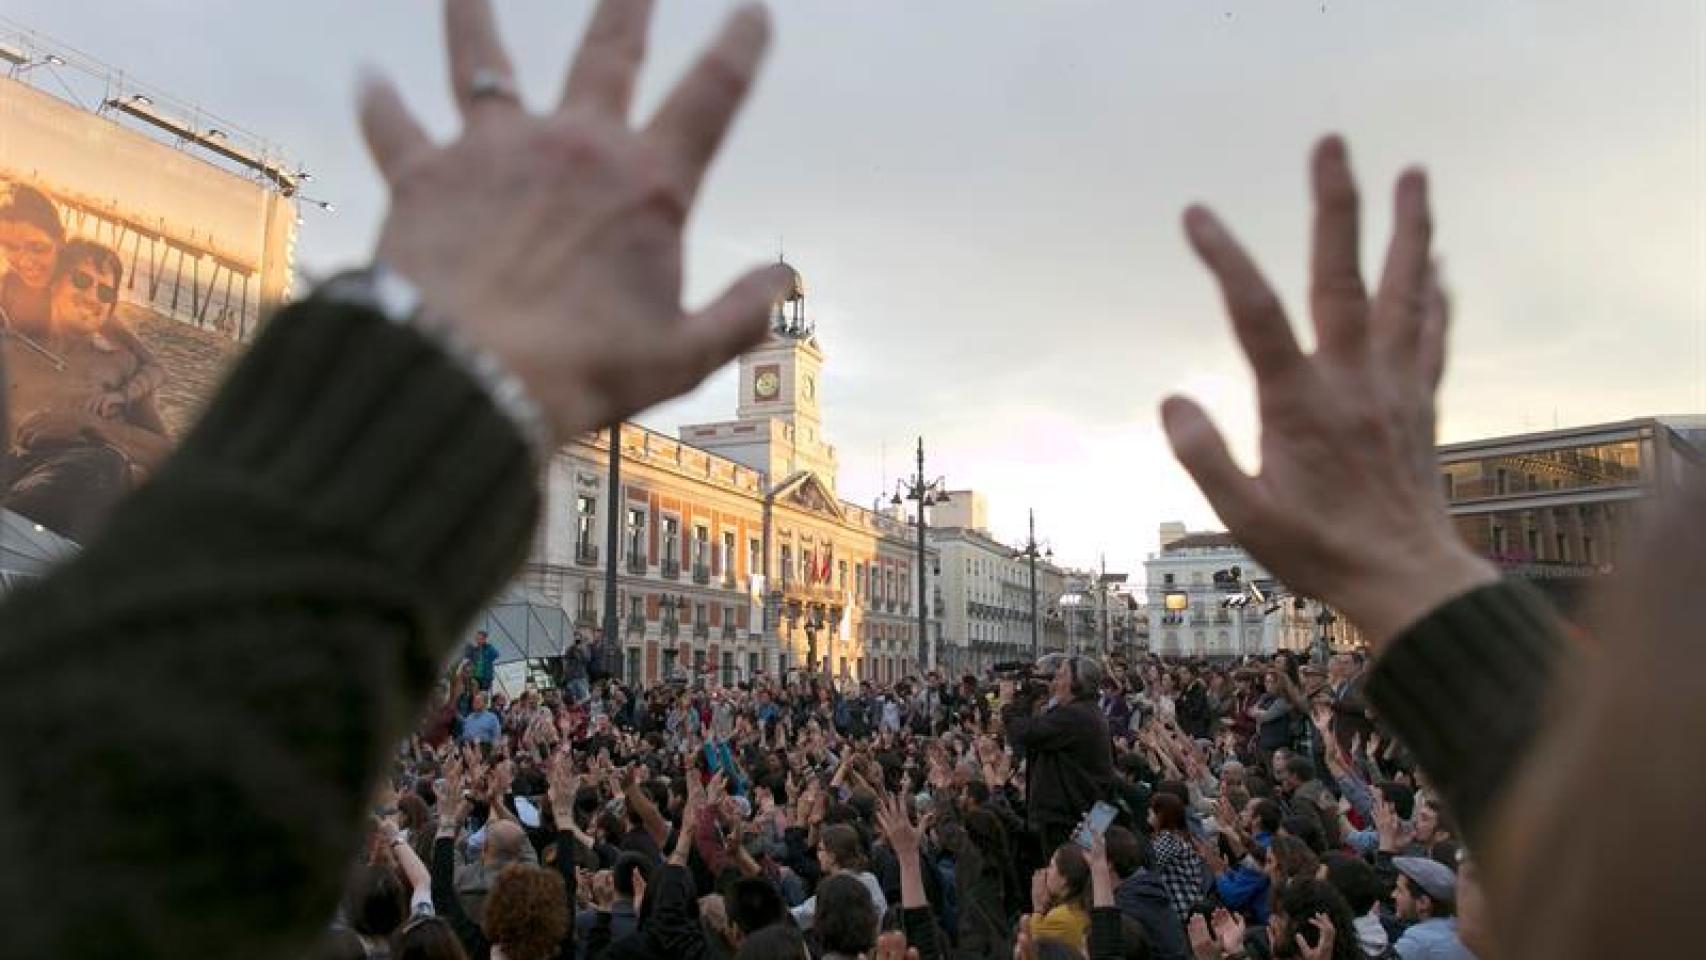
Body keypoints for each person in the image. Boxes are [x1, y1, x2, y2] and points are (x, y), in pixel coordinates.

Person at [3, 240, 171, 540]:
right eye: (82, 281)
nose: (93, 297)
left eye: (105, 292)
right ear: (54, 283)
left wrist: (90, 425)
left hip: (76, 489)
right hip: (12, 484)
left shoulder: (122, 368)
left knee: (106, 464)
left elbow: (165, 455)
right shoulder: (11, 349)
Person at [1003, 653, 1115, 851]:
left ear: (1077, 684)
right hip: (1082, 813)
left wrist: (1007, 705)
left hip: (1070, 818)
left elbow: (1027, 732)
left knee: (1069, 876)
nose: (1054, 682)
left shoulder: (1075, 716)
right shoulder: (1086, 712)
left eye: (1061, 676)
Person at [0, 180, 63, 336]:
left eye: (38, 249)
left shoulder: (79, 282)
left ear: (61, 240)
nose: (24, 262)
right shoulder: (7, 286)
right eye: (11, 247)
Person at [1389, 858, 1473, 960]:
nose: (1393, 895)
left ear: (1423, 903)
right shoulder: (1463, 930)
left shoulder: (1418, 940)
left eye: (1400, 890)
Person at [1027, 843, 1092, 954]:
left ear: (1064, 880)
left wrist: (1037, 905)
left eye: (1051, 866)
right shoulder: (1083, 907)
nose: (1046, 871)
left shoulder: (1060, 917)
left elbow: (1036, 948)